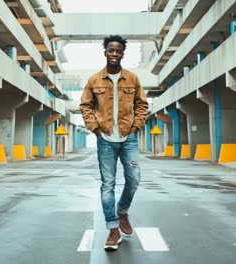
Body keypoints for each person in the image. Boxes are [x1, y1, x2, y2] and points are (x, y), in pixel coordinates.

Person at [79, 35, 149, 251]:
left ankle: (122, 211)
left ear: (122, 54)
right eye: (111, 50)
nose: (115, 54)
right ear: (105, 52)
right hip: (106, 139)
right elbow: (85, 106)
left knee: (134, 179)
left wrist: (136, 127)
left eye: (118, 51)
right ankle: (112, 229)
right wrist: (96, 130)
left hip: (129, 138)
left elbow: (142, 105)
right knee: (107, 185)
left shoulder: (133, 79)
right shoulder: (94, 80)